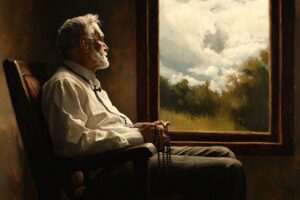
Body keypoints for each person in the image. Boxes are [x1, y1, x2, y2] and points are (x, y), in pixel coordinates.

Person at [42, 14, 246, 200]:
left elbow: (103, 129)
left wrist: (142, 128)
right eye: (100, 39)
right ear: (85, 45)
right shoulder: (64, 84)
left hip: (127, 160)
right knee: (229, 169)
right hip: (111, 172)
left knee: (224, 153)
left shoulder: (88, 82)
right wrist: (139, 136)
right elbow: (71, 144)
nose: (106, 46)